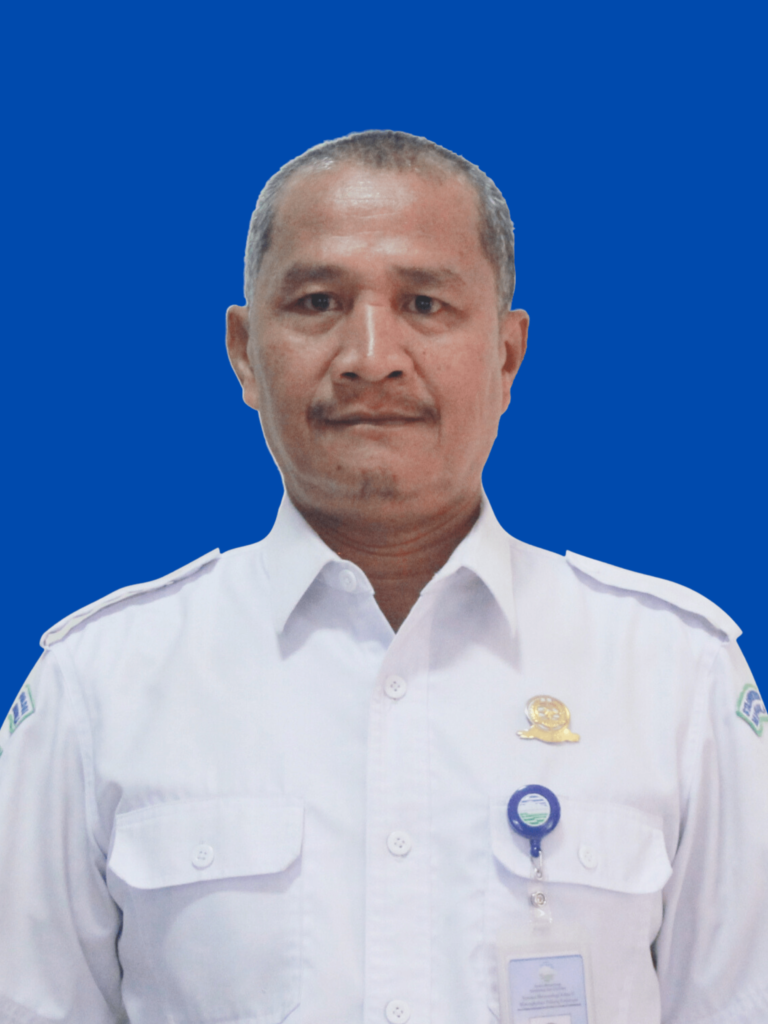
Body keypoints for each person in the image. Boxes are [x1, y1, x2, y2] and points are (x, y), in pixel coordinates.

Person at [0, 129, 766, 1024]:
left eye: (426, 304)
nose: (372, 355)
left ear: (507, 355)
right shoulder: (96, 688)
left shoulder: (677, 675)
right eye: (319, 302)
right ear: (245, 353)